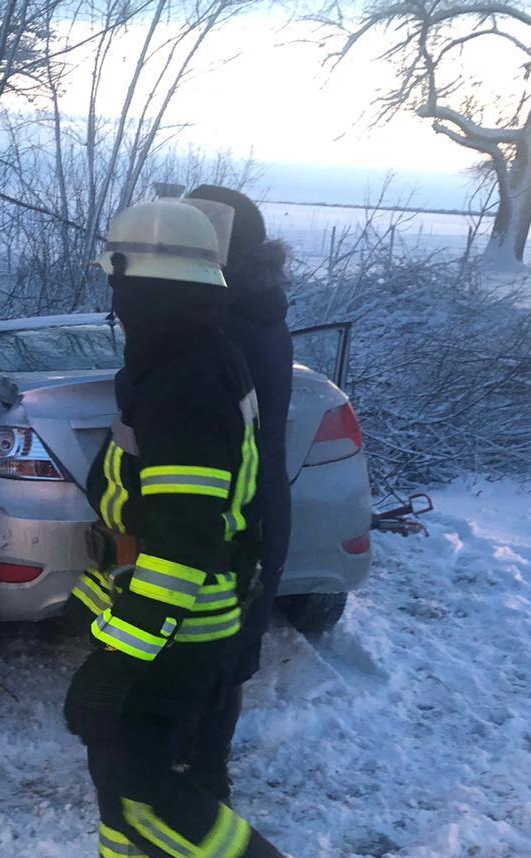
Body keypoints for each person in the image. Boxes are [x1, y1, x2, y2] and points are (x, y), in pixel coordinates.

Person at [55, 201, 325, 858]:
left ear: (138, 282)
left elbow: (182, 541)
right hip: (167, 617)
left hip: (178, 625)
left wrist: (120, 657)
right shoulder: (182, 351)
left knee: (136, 780)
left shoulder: (184, 375)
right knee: (120, 771)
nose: (111, 299)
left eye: (116, 280)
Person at [182, 185, 293, 803]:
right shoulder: (259, 311)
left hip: (234, 514)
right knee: (228, 654)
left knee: (208, 655)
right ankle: (203, 776)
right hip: (264, 505)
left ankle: (195, 787)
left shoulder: (226, 331)